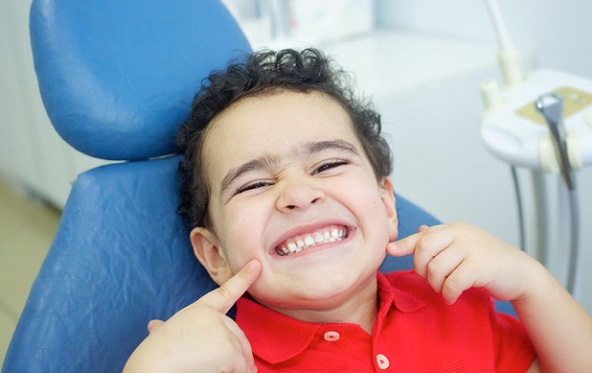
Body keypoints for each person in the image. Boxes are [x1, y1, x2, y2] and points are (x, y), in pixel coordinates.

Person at [124, 48, 592, 372]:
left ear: (387, 204)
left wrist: (533, 284)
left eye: (327, 164)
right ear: (214, 255)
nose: (299, 193)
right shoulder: (222, 361)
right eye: (257, 183)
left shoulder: (458, 306)